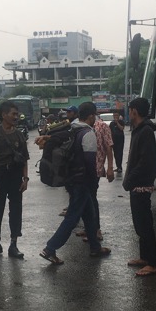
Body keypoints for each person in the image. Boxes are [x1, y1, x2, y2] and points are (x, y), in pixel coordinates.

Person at [40, 102, 111, 265]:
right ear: (91, 116)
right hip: (82, 181)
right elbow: (90, 161)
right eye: (95, 116)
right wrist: (94, 181)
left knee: (89, 214)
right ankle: (50, 248)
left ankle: (95, 247)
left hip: (71, 179)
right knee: (72, 217)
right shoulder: (88, 133)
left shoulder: (72, 129)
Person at [0, 100, 30, 259]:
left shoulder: (19, 135)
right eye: (13, 114)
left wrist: (25, 178)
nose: (16, 117)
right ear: (4, 115)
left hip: (15, 176)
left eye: (17, 114)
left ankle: (13, 245)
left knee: (16, 211)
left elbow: (24, 159)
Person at [122, 98, 156, 277]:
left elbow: (146, 162)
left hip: (141, 186)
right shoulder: (140, 130)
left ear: (134, 111)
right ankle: (145, 258)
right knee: (140, 224)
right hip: (136, 185)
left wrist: (130, 180)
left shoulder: (145, 131)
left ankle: (153, 264)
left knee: (144, 225)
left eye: (129, 111)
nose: (128, 114)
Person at [77, 113, 114, 242]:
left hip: (95, 168)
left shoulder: (102, 126)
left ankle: (96, 230)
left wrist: (110, 168)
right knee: (86, 199)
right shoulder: (83, 127)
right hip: (83, 170)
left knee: (91, 199)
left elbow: (109, 147)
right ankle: (89, 228)